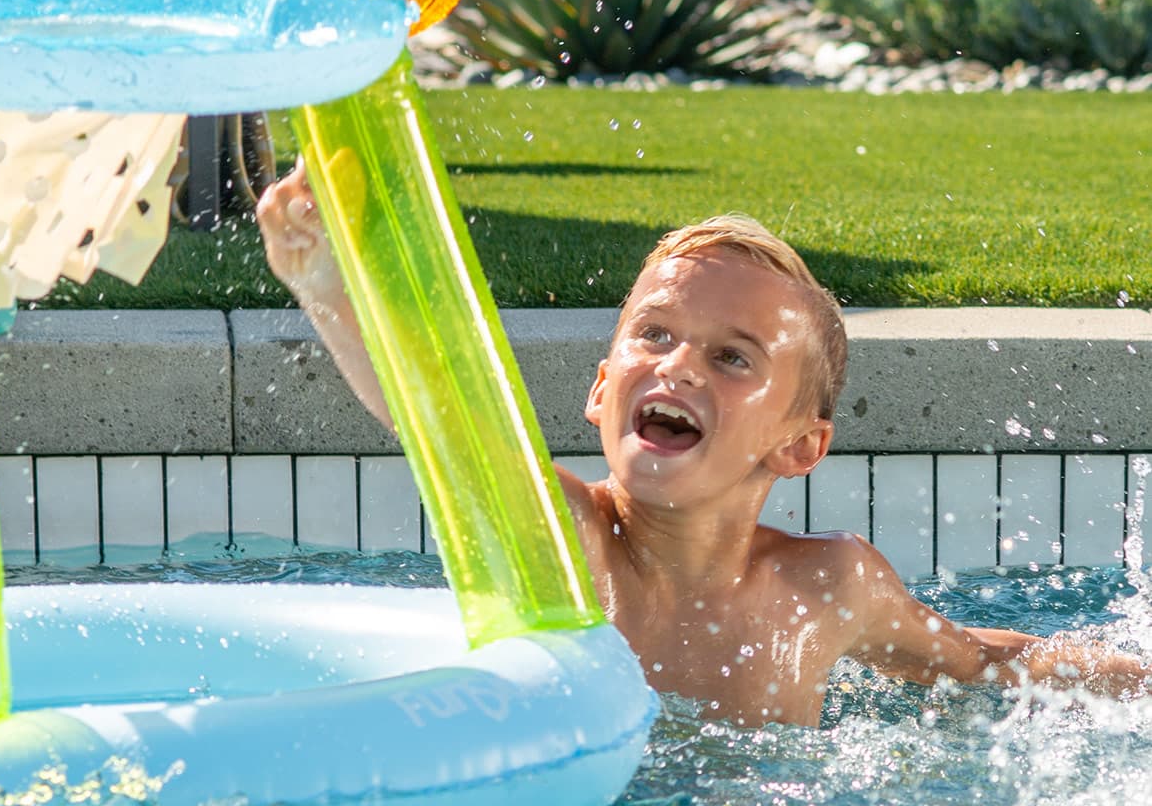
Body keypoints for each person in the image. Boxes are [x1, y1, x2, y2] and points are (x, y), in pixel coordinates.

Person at [257, 164, 1152, 726]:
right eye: (653, 336)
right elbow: (440, 426)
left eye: (732, 356)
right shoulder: (565, 542)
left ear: (801, 446)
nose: (678, 365)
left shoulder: (824, 589)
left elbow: (979, 660)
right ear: (602, 390)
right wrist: (327, 289)